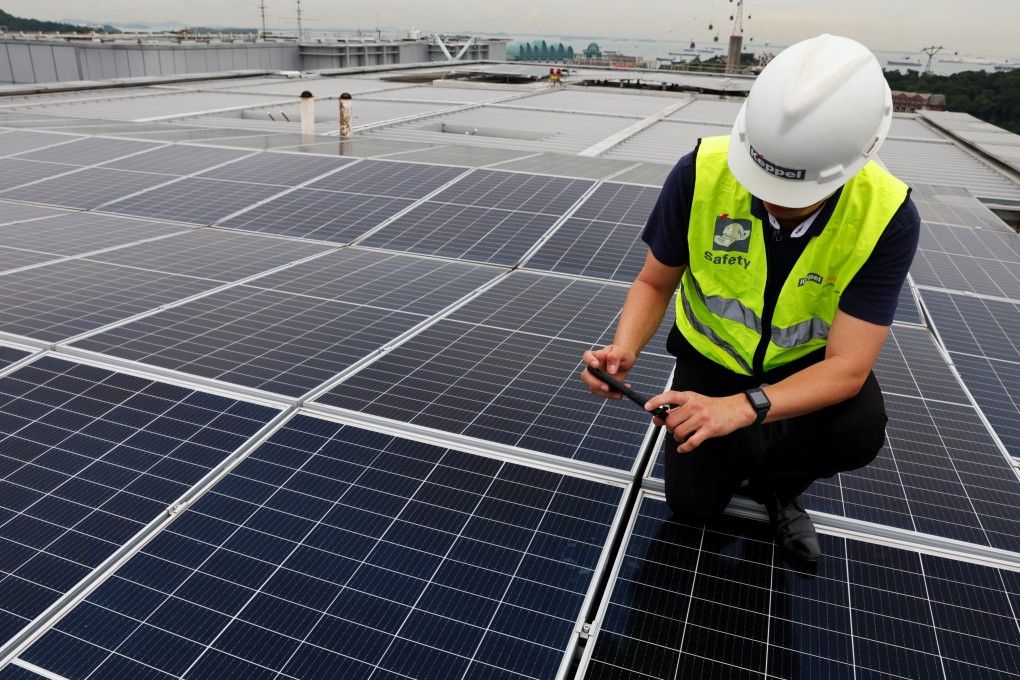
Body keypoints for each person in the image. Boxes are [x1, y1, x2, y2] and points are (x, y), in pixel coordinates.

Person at [581, 34, 920, 562]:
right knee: (693, 508)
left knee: (856, 430)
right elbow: (653, 281)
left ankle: (779, 487)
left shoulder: (887, 217)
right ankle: (752, 442)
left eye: (794, 192)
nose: (771, 199)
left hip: (802, 371)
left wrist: (744, 409)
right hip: (712, 360)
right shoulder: (700, 173)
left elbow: (848, 368)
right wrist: (625, 348)